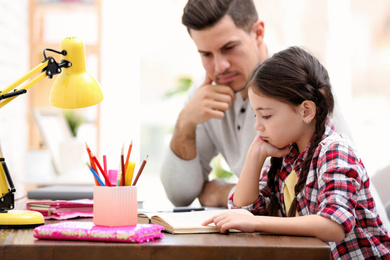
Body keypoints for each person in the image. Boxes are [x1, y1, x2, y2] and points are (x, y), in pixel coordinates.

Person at [202, 46, 390, 259]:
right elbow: (244, 209)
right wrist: (254, 156)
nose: (258, 126)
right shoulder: (286, 155)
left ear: (306, 111)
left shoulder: (335, 150)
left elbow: (334, 225)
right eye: (256, 115)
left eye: (266, 116)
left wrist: (255, 222)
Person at [160, 0, 351, 208]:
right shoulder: (206, 93)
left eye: (229, 48)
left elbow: (301, 197)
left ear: (258, 33)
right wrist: (185, 123)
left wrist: (223, 193)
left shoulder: (296, 77)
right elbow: (180, 195)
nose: (219, 67)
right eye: (206, 54)